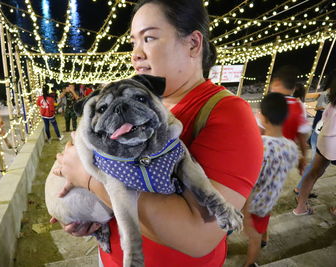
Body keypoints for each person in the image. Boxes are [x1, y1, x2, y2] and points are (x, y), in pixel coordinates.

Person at [52, 0, 263, 266]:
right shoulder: (138, 102)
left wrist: (88, 179)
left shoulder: (229, 114)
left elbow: (198, 236)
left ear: (193, 44)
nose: (135, 54)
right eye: (133, 43)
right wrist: (78, 209)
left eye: (149, 38)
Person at [243, 93, 298, 267]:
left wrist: (245, 213)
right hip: (271, 198)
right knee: (262, 225)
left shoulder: (259, 146)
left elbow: (250, 179)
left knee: (253, 237)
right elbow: (289, 168)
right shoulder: (291, 147)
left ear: (264, 118)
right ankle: (265, 238)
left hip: (254, 204)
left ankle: (250, 263)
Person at [293, 73, 336, 216]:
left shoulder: (332, 103)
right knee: (314, 171)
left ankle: (300, 207)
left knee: (313, 172)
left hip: (324, 139)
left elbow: (324, 119)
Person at [267, 66, 311, 175]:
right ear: (293, 88)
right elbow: (302, 135)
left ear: (277, 82)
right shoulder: (298, 106)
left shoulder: (270, 103)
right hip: (286, 156)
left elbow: (258, 131)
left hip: (266, 154)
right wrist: (303, 157)